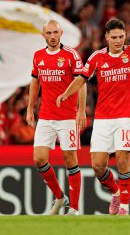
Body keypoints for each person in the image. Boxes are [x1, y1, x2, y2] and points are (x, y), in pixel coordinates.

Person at [56, 12, 130, 215]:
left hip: (124, 117)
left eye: (121, 36)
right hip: (102, 118)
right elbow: (81, 78)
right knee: (98, 166)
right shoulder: (97, 57)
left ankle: (124, 209)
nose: (118, 41)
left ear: (125, 36)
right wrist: (66, 94)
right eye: (114, 37)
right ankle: (116, 192)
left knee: (121, 160)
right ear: (107, 37)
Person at [27, 20, 87, 216]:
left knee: (70, 159)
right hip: (46, 115)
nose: (52, 36)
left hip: (68, 116)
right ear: (43, 35)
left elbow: (82, 82)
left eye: (55, 32)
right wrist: (30, 109)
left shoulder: (70, 55)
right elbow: (35, 83)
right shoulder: (38, 56)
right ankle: (60, 197)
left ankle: (75, 208)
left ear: (61, 33)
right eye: (49, 33)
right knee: (39, 159)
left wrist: (81, 110)